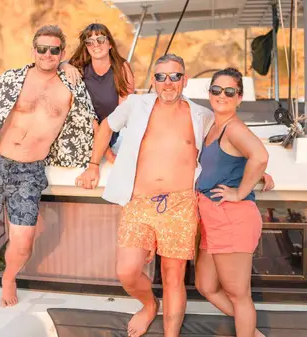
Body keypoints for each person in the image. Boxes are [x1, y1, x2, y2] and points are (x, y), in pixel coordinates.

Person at [0, 25, 98, 329]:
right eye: (41, 49)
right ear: (33, 51)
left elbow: (91, 123)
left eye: (54, 50)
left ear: (62, 53)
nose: (47, 54)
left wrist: (100, 160)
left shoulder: (72, 86)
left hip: (30, 170)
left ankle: (8, 277)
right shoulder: (11, 78)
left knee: (24, 241)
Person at [75, 54, 214, 337]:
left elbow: (223, 144)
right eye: (161, 77)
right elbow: (106, 127)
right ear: (153, 81)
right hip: (139, 200)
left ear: (184, 80)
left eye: (175, 76)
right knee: (127, 271)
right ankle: (150, 305)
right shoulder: (137, 105)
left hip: (180, 203)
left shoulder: (202, 115)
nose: (168, 83)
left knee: (174, 277)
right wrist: (93, 164)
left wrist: (258, 171)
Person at [194, 68, 272, 337]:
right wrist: (255, 174)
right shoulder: (213, 126)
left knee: (239, 295)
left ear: (239, 98)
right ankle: (253, 333)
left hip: (232, 217)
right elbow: (237, 160)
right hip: (211, 217)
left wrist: (240, 191)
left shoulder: (234, 127)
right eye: (216, 90)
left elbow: (259, 156)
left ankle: (248, 331)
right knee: (206, 285)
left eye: (230, 92)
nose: (222, 95)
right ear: (209, 93)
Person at [61, 23, 135, 163]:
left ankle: (105, 150)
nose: (96, 45)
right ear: (86, 47)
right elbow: (57, 66)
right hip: (82, 128)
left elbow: (124, 109)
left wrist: (103, 131)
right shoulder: (80, 67)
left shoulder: (122, 67)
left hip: (109, 131)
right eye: (90, 42)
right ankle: (107, 153)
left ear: (110, 44)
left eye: (100, 40)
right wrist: (65, 65)